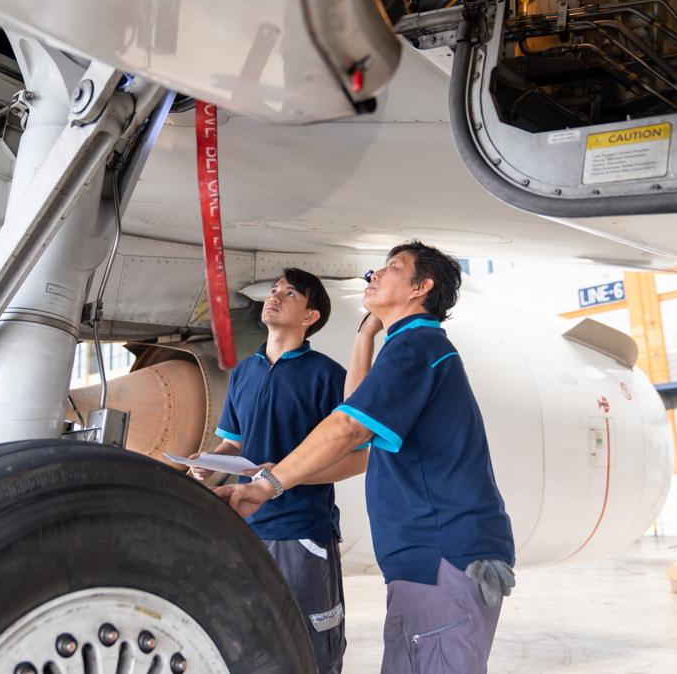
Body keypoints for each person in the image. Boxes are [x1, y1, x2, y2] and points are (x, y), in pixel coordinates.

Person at [216, 241, 516, 674]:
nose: (374, 273)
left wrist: (269, 484)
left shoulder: (418, 347)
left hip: (442, 553)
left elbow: (348, 427)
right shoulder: (406, 346)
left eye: (392, 267)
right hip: (422, 556)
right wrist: (365, 334)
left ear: (421, 287)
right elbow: (356, 407)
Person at [189, 267, 363, 674]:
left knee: (312, 642)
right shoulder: (245, 372)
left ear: (310, 317)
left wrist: (284, 478)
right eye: (274, 290)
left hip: (302, 531)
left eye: (290, 294)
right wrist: (208, 465)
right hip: (245, 527)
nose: (275, 296)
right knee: (250, 638)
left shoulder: (329, 377)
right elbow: (235, 440)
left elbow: (360, 457)